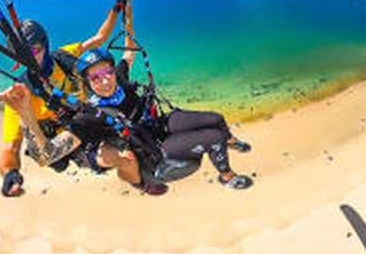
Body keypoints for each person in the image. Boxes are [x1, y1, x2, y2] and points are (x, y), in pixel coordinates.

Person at [0, 0, 139, 197]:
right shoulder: (22, 93)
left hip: (91, 117)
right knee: (118, 156)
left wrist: (117, 9)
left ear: (45, 46)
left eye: (35, 50)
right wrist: (9, 173)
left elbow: (100, 38)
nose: (30, 57)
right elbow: (10, 147)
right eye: (23, 53)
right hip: (67, 144)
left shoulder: (63, 56)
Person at [74, 42, 254, 190]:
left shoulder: (119, 80)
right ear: (87, 83)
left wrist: (127, 15)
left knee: (215, 119)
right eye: (95, 78)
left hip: (158, 124)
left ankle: (230, 142)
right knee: (213, 137)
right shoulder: (92, 113)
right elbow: (70, 142)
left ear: (113, 70)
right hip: (154, 149)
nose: (105, 80)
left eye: (107, 72)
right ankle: (227, 177)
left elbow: (129, 54)